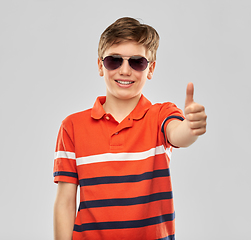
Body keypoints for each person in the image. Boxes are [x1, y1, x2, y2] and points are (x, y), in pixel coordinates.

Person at [53, 17, 207, 240]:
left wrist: (191, 128)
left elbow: (179, 134)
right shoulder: (72, 126)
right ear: (100, 65)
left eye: (137, 62)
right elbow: (65, 202)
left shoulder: (160, 115)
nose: (125, 70)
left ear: (151, 69)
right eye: (114, 61)